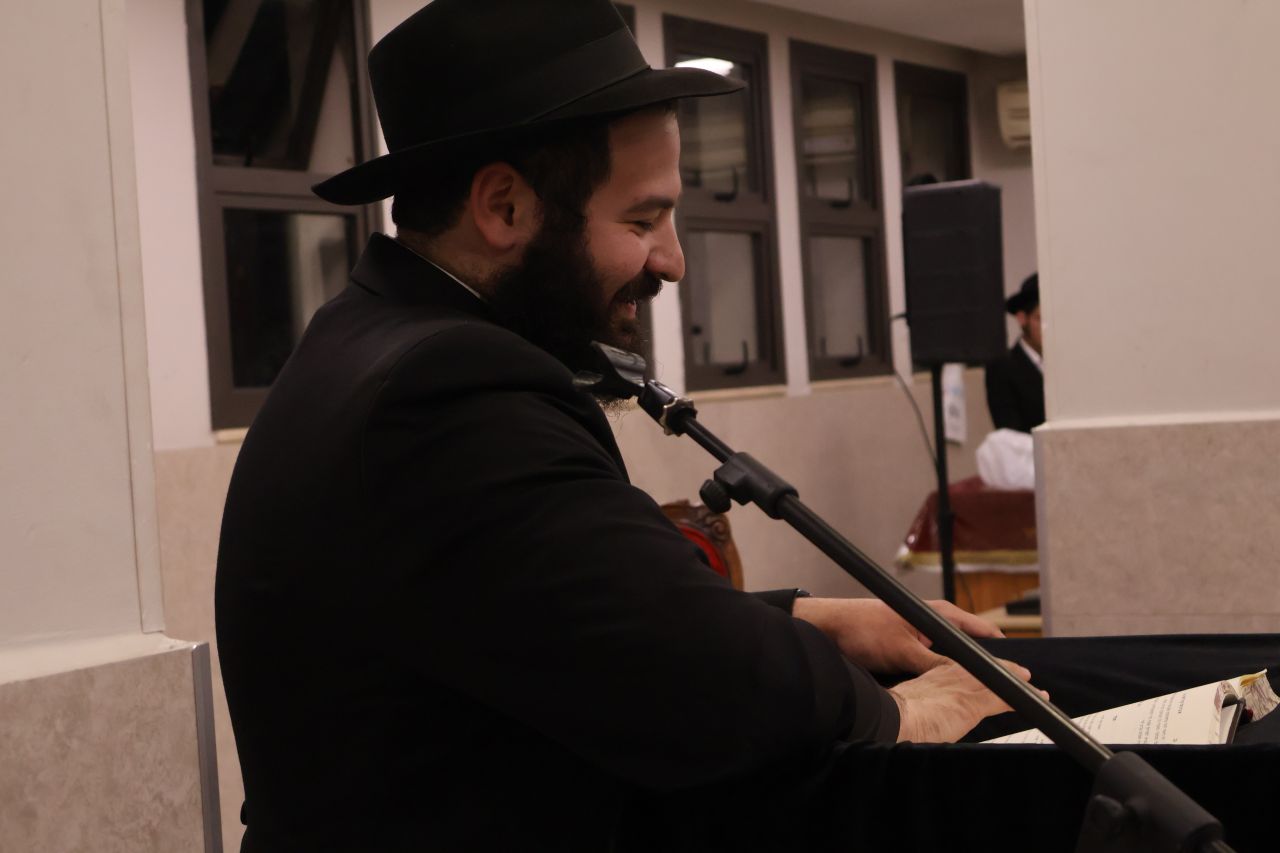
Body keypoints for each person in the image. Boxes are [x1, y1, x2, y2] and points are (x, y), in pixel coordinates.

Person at [215, 1, 1036, 849]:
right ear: (504, 206)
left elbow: (585, 620)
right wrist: (902, 715)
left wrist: (823, 619)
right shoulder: (445, 391)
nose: (672, 260)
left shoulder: (370, 339)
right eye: (642, 221)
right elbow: (699, 683)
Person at [985, 273, 1045, 433]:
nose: (1048, 328)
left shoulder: (1064, 363)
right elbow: (1009, 433)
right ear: (1022, 318)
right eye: (1040, 318)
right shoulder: (1002, 367)